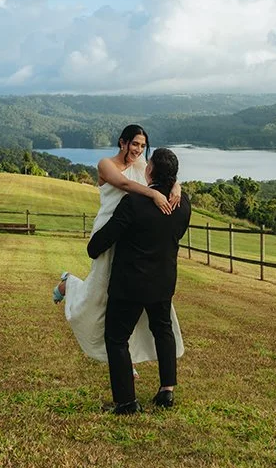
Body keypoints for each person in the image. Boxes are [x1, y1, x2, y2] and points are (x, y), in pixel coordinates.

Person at [53, 125, 185, 369]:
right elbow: (124, 185)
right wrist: (154, 195)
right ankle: (68, 284)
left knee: (130, 299)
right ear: (122, 143)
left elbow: (165, 175)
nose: (138, 150)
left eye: (143, 146)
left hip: (131, 235)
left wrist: (176, 186)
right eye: (134, 144)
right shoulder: (106, 164)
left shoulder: (143, 166)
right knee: (100, 293)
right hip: (109, 230)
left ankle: (126, 358)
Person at [88, 147, 191, 414]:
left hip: (129, 283)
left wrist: (93, 247)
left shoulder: (133, 203)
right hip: (163, 280)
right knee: (163, 330)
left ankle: (126, 402)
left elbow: (105, 238)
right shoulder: (183, 203)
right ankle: (167, 390)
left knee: (117, 338)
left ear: (150, 171)